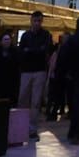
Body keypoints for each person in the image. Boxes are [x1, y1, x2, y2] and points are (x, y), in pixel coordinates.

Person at [17, 11, 53, 139]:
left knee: (36, 100)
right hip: (27, 70)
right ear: (31, 21)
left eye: (39, 21)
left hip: (39, 70)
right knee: (22, 99)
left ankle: (32, 128)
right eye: (35, 21)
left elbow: (44, 50)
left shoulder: (46, 35)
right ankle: (21, 125)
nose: (37, 23)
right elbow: (22, 51)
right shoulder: (26, 36)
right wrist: (36, 51)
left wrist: (30, 51)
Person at [0, 31, 20, 106]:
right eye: (5, 39)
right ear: (1, 41)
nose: (7, 41)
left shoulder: (14, 52)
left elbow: (17, 67)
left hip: (11, 82)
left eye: (8, 39)